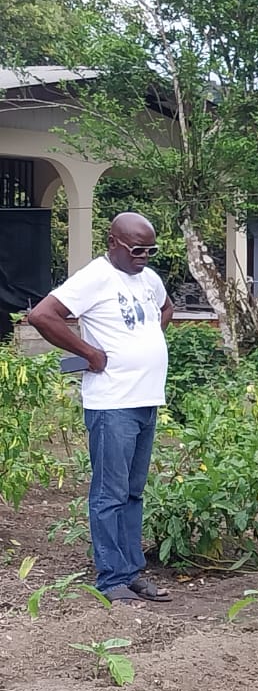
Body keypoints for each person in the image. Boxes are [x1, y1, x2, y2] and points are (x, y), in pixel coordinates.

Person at [27, 212, 175, 606]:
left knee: (133, 492)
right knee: (109, 493)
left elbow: (167, 308)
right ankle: (111, 578)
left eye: (150, 249)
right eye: (136, 249)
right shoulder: (95, 276)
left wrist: (145, 341)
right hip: (112, 403)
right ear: (113, 242)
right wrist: (89, 352)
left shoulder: (148, 278)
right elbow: (42, 315)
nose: (144, 256)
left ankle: (131, 572)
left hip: (145, 399)